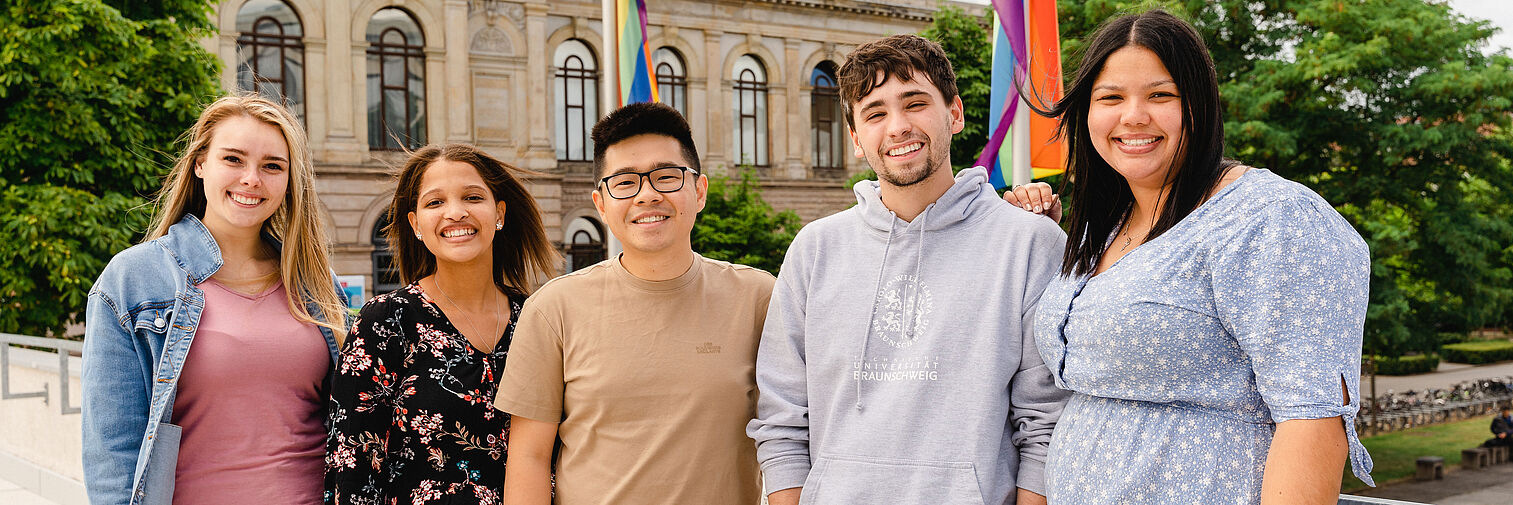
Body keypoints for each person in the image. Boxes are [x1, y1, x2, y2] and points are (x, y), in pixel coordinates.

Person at [1003, 8, 1375, 504]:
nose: (1133, 116)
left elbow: (1312, 418)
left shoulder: (1269, 217)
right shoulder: (1104, 224)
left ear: (1199, 105)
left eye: (1161, 95)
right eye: (1110, 97)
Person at [746, 34, 1069, 505]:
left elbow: (1044, 421)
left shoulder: (1030, 243)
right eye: (875, 113)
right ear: (856, 138)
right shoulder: (815, 249)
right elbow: (782, 417)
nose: (897, 126)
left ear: (954, 113)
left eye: (914, 103)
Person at [495, 102, 775, 505]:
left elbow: (792, 434)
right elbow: (529, 458)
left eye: (666, 176)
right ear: (601, 204)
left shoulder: (757, 298)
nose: (648, 195)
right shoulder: (553, 309)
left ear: (699, 191)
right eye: (625, 182)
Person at [81, 95, 350, 505]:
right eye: (234, 159)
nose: (252, 179)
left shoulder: (315, 280)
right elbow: (112, 449)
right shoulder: (134, 279)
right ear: (200, 163)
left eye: (272, 166)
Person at [324, 143, 558, 504]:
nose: (456, 212)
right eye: (435, 203)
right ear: (416, 224)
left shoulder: (536, 318)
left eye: (472, 197)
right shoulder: (386, 322)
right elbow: (351, 466)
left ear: (499, 213)